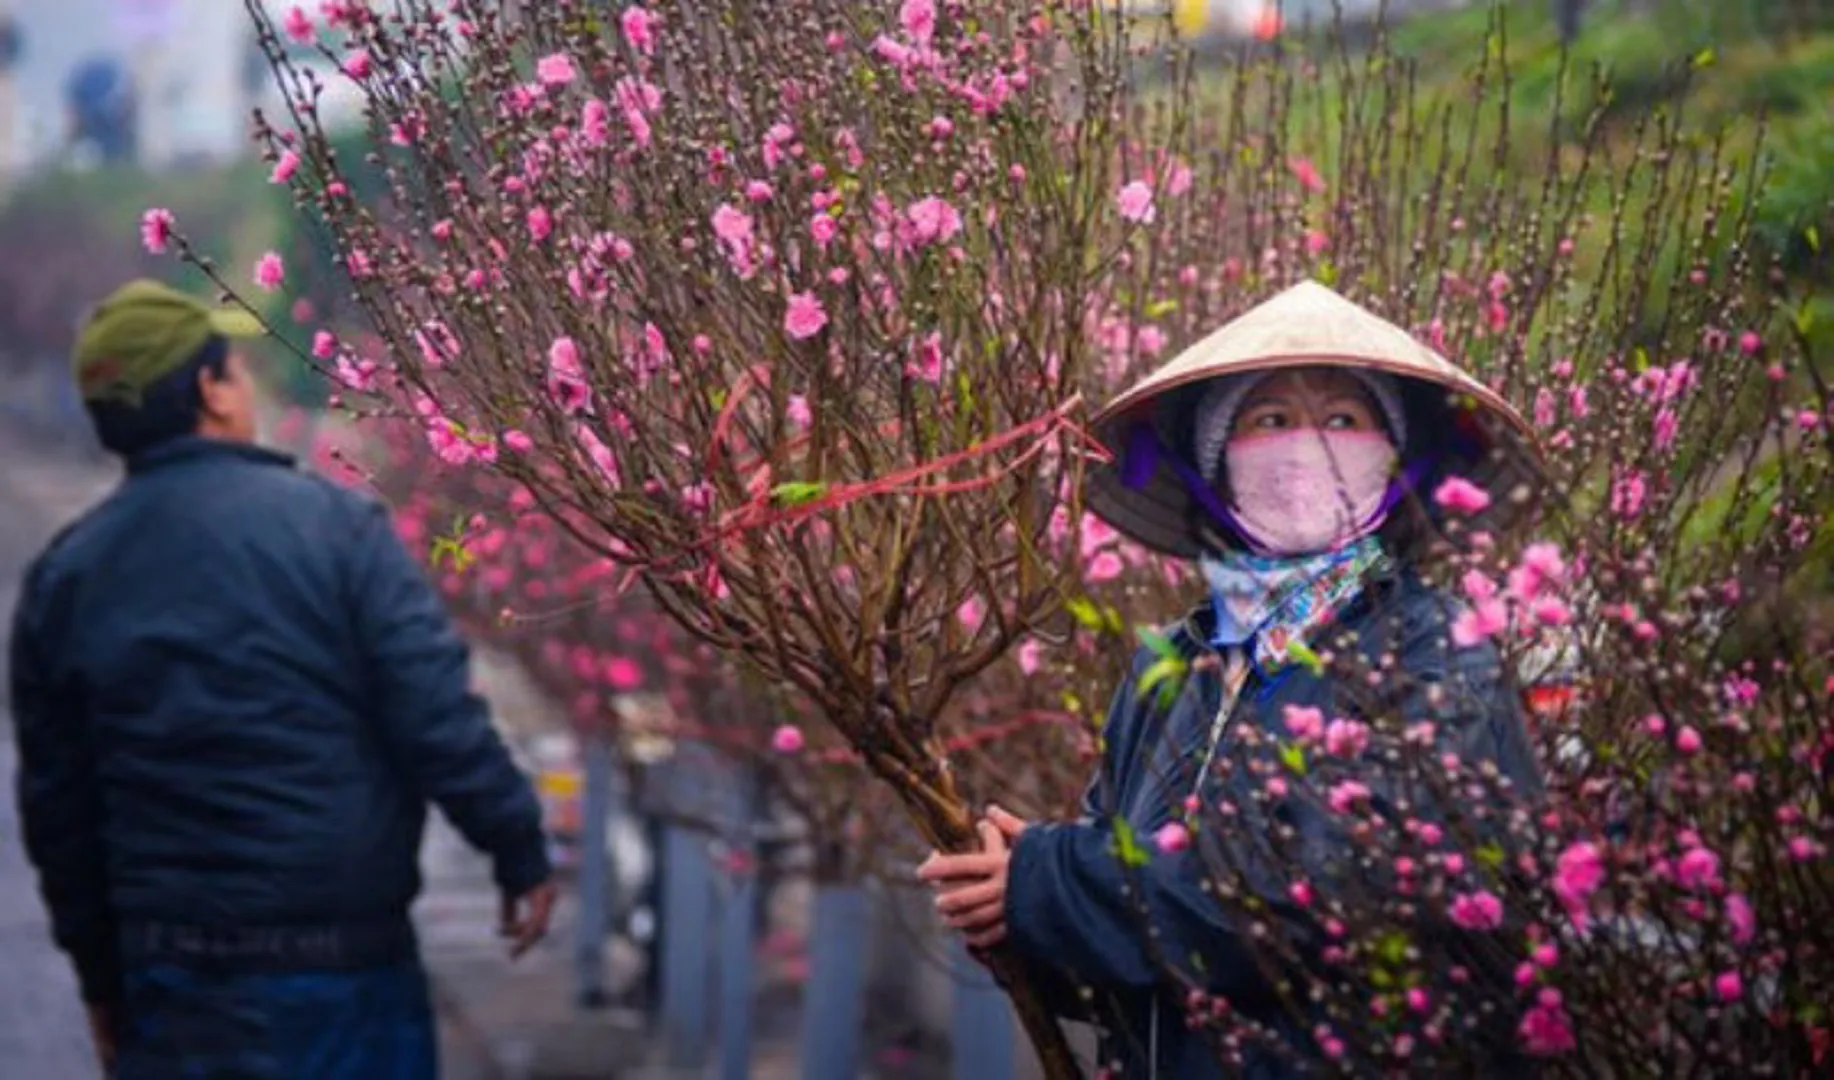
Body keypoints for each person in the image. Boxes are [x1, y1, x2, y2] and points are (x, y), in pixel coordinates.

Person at [919, 281, 1545, 1077]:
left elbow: (1330, 898)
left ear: (1392, 457)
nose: (1309, 445)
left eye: (1344, 419)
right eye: (1271, 420)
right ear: (1216, 457)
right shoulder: (1175, 668)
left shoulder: (1434, 654)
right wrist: (1021, 912)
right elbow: (1136, 954)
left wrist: (1055, 879)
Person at [9, 280, 556, 1079]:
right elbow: (436, 714)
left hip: (172, 982)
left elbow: (60, 810)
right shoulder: (337, 531)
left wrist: (102, 981)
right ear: (209, 388)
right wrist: (516, 846)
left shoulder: (67, 579)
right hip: (344, 971)